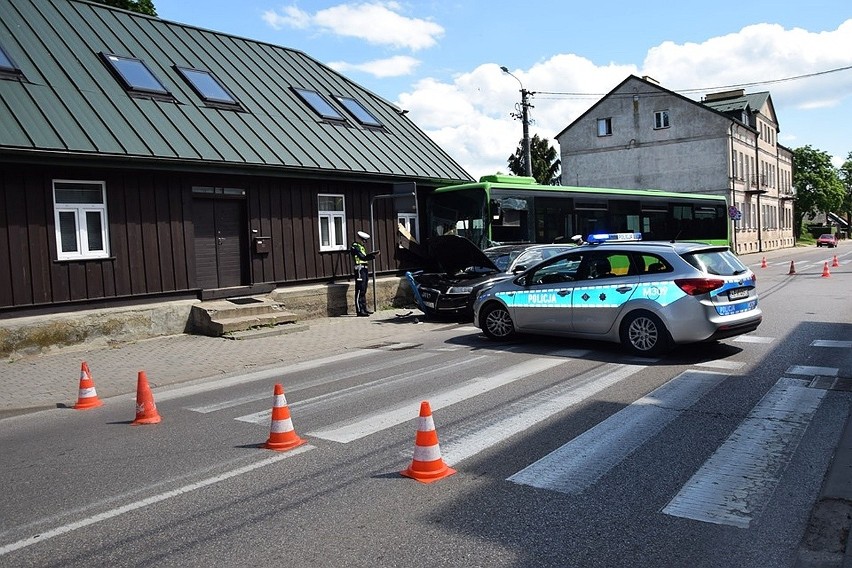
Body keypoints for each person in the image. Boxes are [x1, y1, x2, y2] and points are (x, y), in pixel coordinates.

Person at [350, 230, 379, 317]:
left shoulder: (361, 247)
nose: (364, 242)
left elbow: (365, 257)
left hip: (364, 269)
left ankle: (364, 308)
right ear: (359, 239)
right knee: (359, 289)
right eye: (363, 240)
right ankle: (359, 310)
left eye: (365, 241)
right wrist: (372, 256)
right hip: (359, 269)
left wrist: (373, 255)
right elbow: (362, 257)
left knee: (364, 289)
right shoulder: (355, 246)